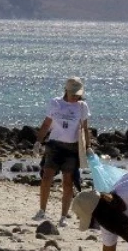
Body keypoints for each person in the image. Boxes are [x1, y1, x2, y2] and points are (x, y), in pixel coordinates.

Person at [33, 77, 91, 227]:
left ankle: (63, 216)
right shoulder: (55, 103)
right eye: (73, 94)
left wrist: (88, 147)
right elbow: (46, 123)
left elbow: (85, 128)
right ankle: (42, 210)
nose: (76, 97)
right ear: (66, 90)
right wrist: (38, 141)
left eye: (78, 94)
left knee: (67, 182)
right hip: (54, 146)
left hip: (72, 148)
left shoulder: (82, 106)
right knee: (46, 178)